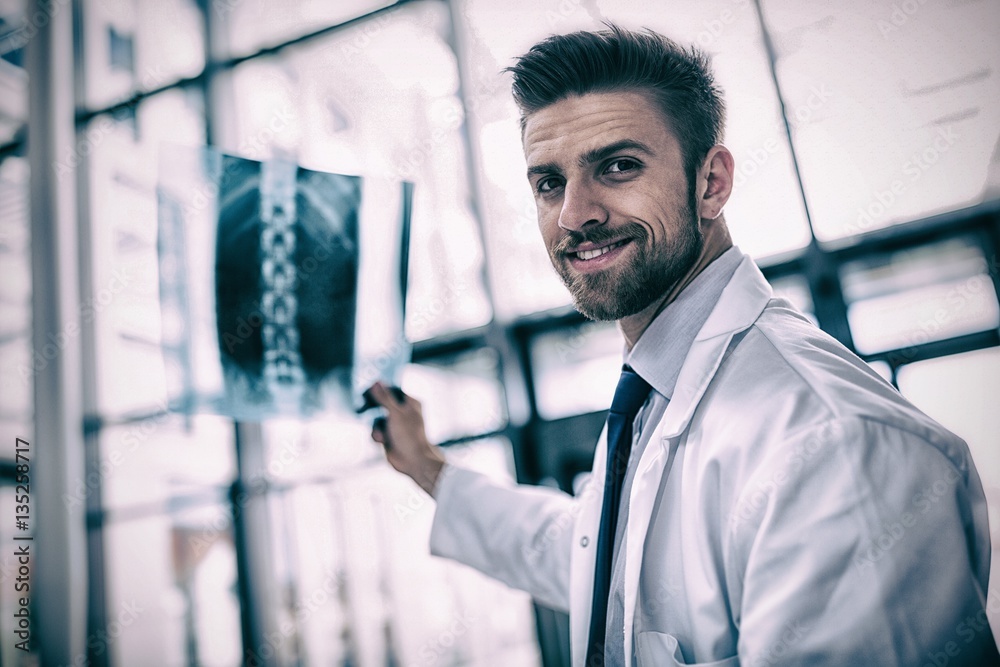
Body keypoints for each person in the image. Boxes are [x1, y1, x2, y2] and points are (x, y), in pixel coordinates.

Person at [365, 24, 999, 666]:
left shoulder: (834, 446)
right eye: (549, 183)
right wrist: (428, 467)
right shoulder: (657, 398)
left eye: (617, 167)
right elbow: (592, 560)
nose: (574, 214)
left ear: (711, 184)